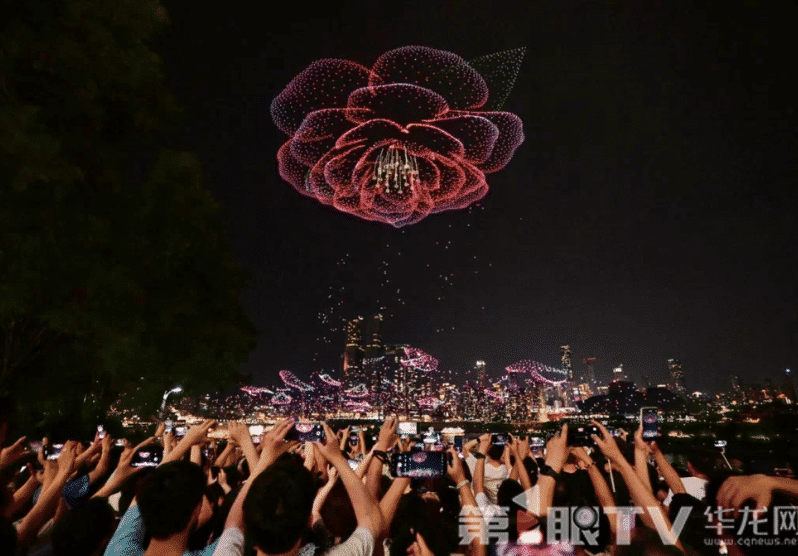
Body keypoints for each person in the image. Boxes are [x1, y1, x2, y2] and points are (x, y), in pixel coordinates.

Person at [104, 419, 219, 556]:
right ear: (197, 512)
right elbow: (236, 526)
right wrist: (189, 442)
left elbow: (147, 491)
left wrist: (187, 442)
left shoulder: (118, 551)